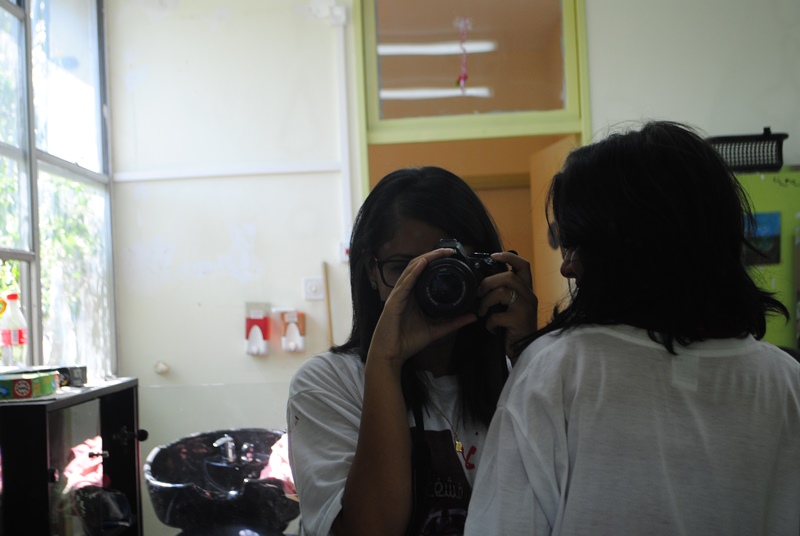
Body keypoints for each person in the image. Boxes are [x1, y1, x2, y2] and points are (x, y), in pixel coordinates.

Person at [465, 120, 800, 535]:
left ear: (628, 247)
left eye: (576, 244)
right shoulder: (786, 383)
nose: (567, 267)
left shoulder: (556, 371)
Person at [286, 166, 537, 535]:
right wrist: (385, 362)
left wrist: (531, 357)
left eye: (446, 267)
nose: (425, 285)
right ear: (372, 272)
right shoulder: (329, 384)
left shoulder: (520, 372)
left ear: (486, 265)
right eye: (403, 268)